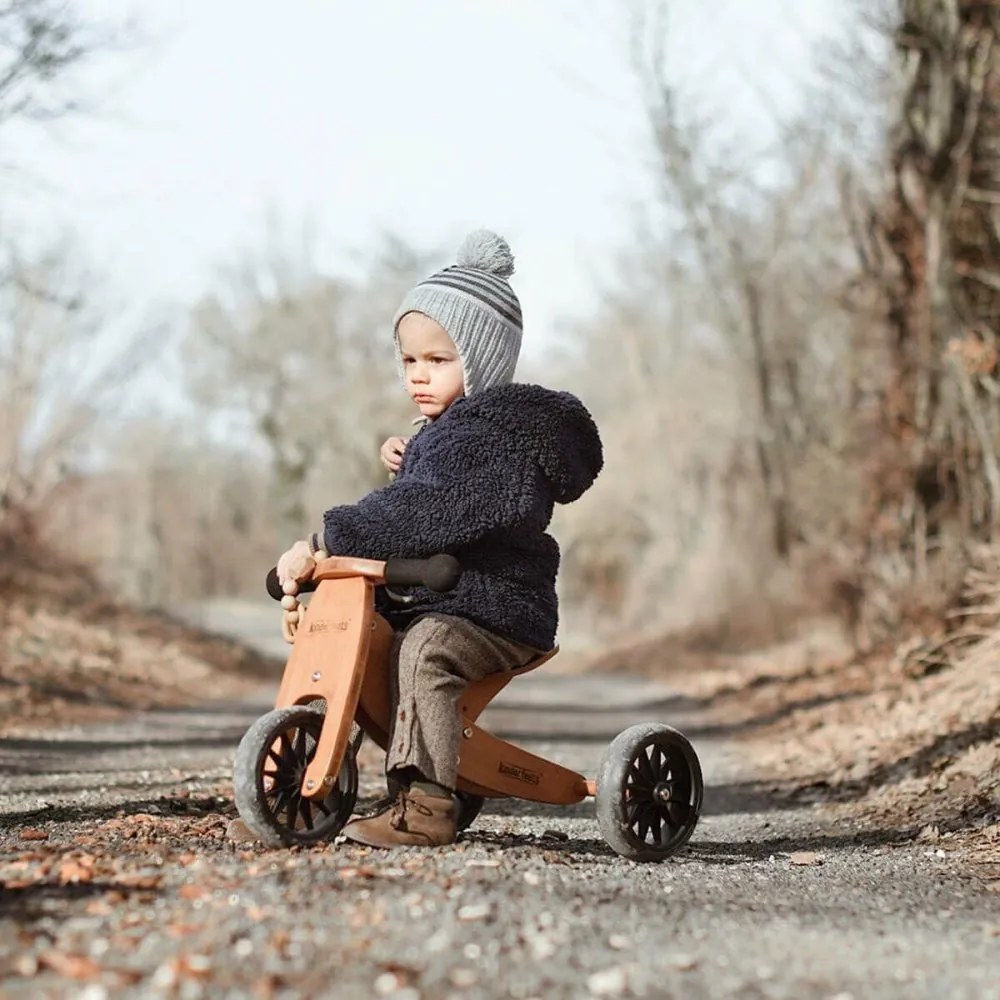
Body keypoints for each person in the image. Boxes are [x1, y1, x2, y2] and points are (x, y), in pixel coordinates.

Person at [276, 229, 603, 847]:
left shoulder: (495, 440)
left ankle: (425, 806)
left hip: (497, 603)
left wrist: (329, 538)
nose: (417, 376)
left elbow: (430, 509)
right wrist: (407, 458)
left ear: (478, 362)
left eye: (437, 360)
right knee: (370, 641)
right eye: (408, 361)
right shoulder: (452, 433)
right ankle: (315, 785)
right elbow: (426, 494)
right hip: (447, 594)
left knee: (426, 651)